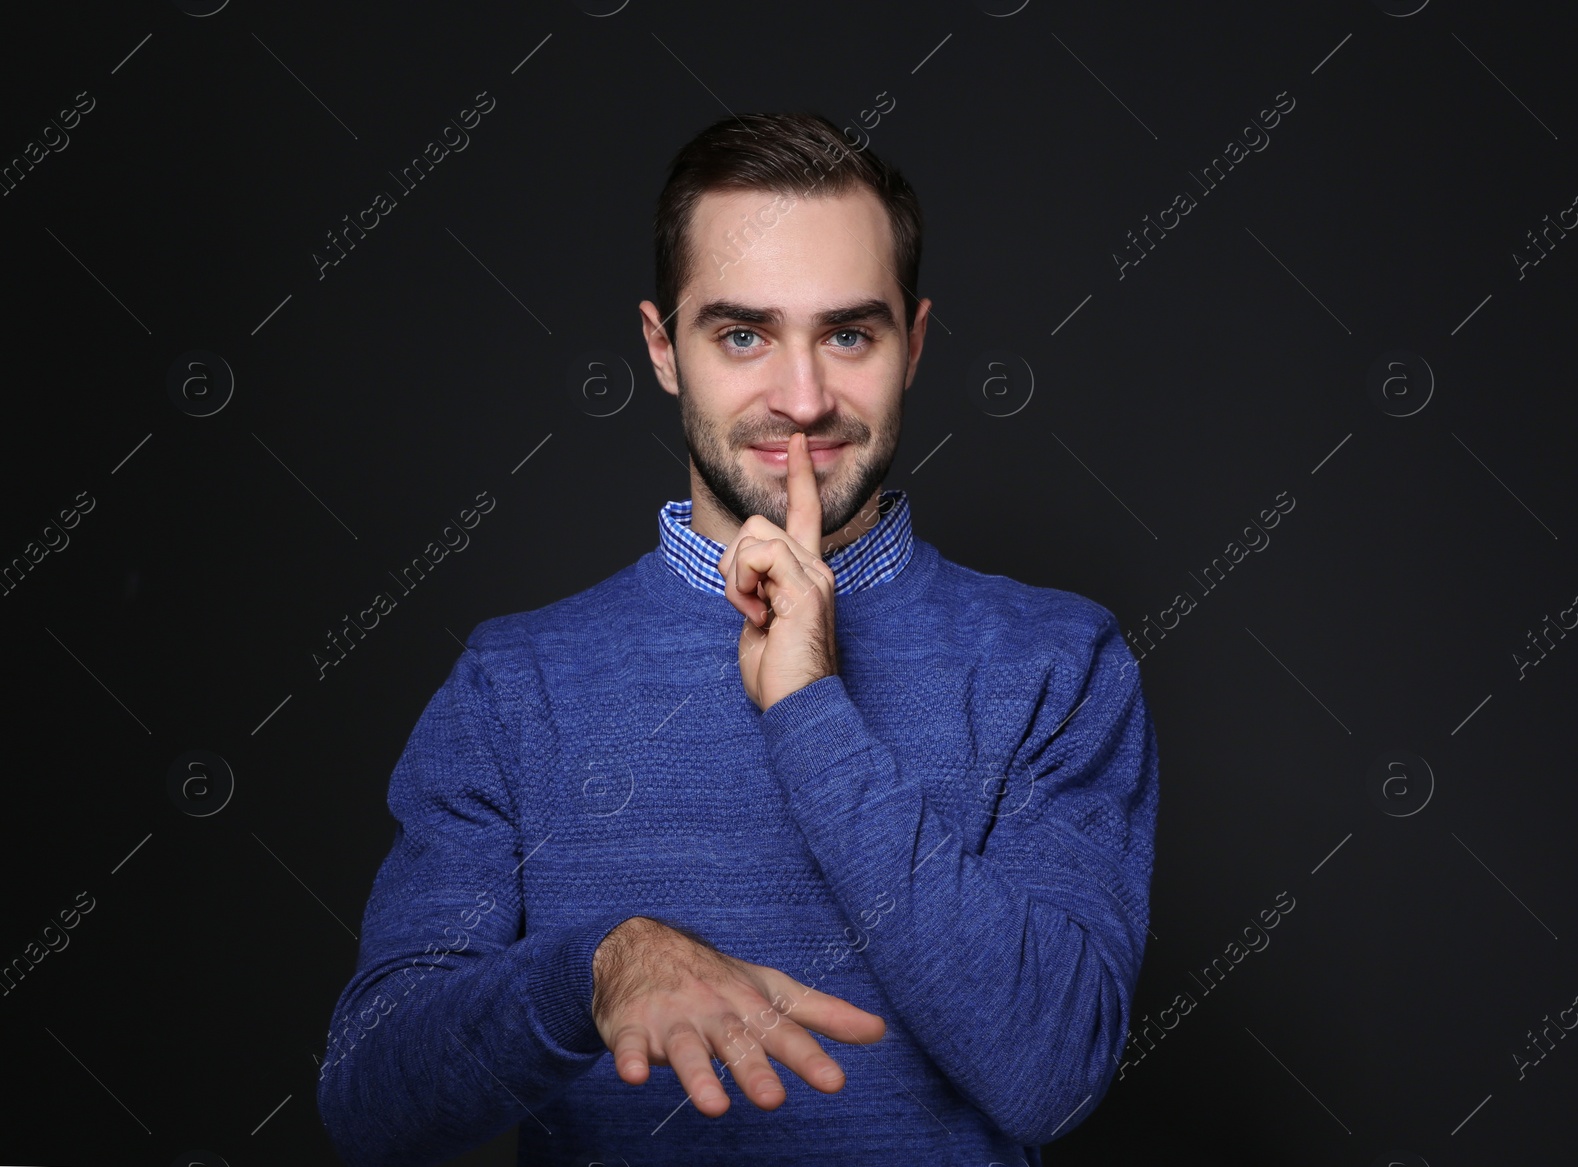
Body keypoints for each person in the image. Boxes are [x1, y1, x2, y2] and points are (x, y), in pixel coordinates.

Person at [316, 111, 1158, 1167]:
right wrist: (596, 971)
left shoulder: (1059, 665)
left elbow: (1047, 1075)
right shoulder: (514, 682)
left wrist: (809, 708)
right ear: (664, 349)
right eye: (743, 335)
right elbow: (372, 1099)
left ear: (917, 343)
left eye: (849, 334)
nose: (801, 401)